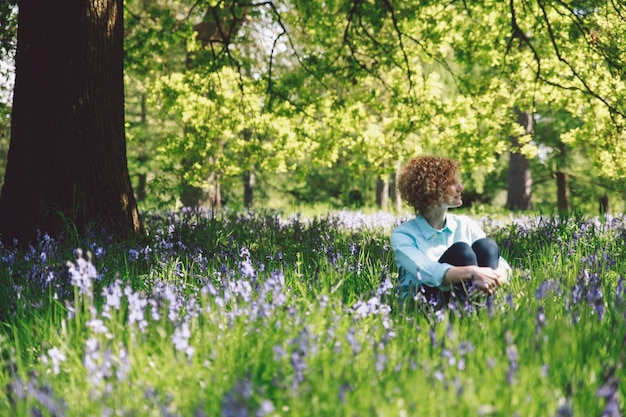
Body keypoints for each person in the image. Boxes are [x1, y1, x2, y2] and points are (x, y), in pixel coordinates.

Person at [390, 155, 511, 306]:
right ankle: (468, 313)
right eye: (452, 183)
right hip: (425, 302)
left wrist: (494, 276)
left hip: (472, 292)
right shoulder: (403, 235)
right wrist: (473, 273)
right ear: (431, 188)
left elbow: (501, 263)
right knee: (462, 252)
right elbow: (426, 271)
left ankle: (479, 312)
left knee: (487, 245)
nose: (461, 187)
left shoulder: (465, 224)